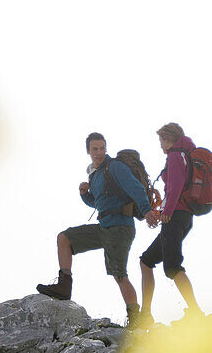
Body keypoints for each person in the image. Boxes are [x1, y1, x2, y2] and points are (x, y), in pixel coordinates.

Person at [37, 132, 158, 325]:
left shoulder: (115, 167)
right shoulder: (96, 174)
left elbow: (135, 188)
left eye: (102, 148)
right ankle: (64, 286)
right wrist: (85, 194)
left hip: (120, 228)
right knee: (64, 238)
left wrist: (148, 211)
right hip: (104, 228)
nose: (99, 152)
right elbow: (99, 202)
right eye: (95, 149)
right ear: (88, 151)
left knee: (119, 275)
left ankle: (136, 320)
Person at [138, 122, 203, 327]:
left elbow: (175, 186)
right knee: (147, 261)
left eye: (161, 140)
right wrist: (164, 211)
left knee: (173, 266)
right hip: (183, 216)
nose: (160, 145)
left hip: (175, 216)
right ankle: (146, 314)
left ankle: (195, 312)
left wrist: (166, 212)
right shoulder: (186, 154)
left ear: (168, 139)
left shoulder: (175, 155)